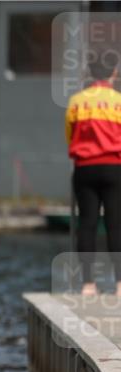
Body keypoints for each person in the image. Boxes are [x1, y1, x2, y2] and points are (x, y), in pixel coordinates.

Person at [65, 53, 121, 296]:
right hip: (114, 168)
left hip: (85, 167)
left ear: (90, 74)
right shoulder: (118, 101)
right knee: (116, 226)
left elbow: (69, 134)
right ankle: (120, 285)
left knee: (86, 224)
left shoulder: (77, 102)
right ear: (114, 73)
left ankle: (88, 284)